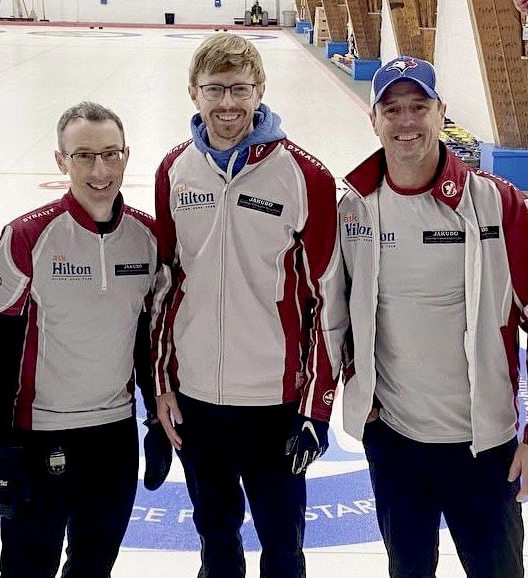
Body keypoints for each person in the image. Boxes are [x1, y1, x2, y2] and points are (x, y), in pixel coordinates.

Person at [338, 56, 528, 577]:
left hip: (483, 448)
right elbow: (334, 312)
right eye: (392, 109)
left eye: (419, 106)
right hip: (395, 444)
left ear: (441, 112)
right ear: (374, 118)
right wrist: (357, 393)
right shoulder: (354, 206)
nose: (406, 121)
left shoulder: (498, 204)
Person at [151, 33, 347, 577]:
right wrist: (163, 386)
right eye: (215, 89)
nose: (228, 104)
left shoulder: (305, 176)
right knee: (215, 537)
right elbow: (167, 286)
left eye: (240, 88)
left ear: (260, 89)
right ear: (194, 93)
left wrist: (316, 408)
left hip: (275, 401)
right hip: (197, 399)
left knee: (283, 545)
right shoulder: (174, 170)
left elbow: (327, 298)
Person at [0, 101, 171, 578]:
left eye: (110, 154)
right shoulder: (28, 235)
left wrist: (152, 418)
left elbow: (149, 340)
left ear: (127, 155)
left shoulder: (148, 237)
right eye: (83, 155)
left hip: (113, 435)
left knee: (95, 563)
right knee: (28, 565)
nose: (99, 169)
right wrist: (0, 441)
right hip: (39, 433)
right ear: (61, 161)